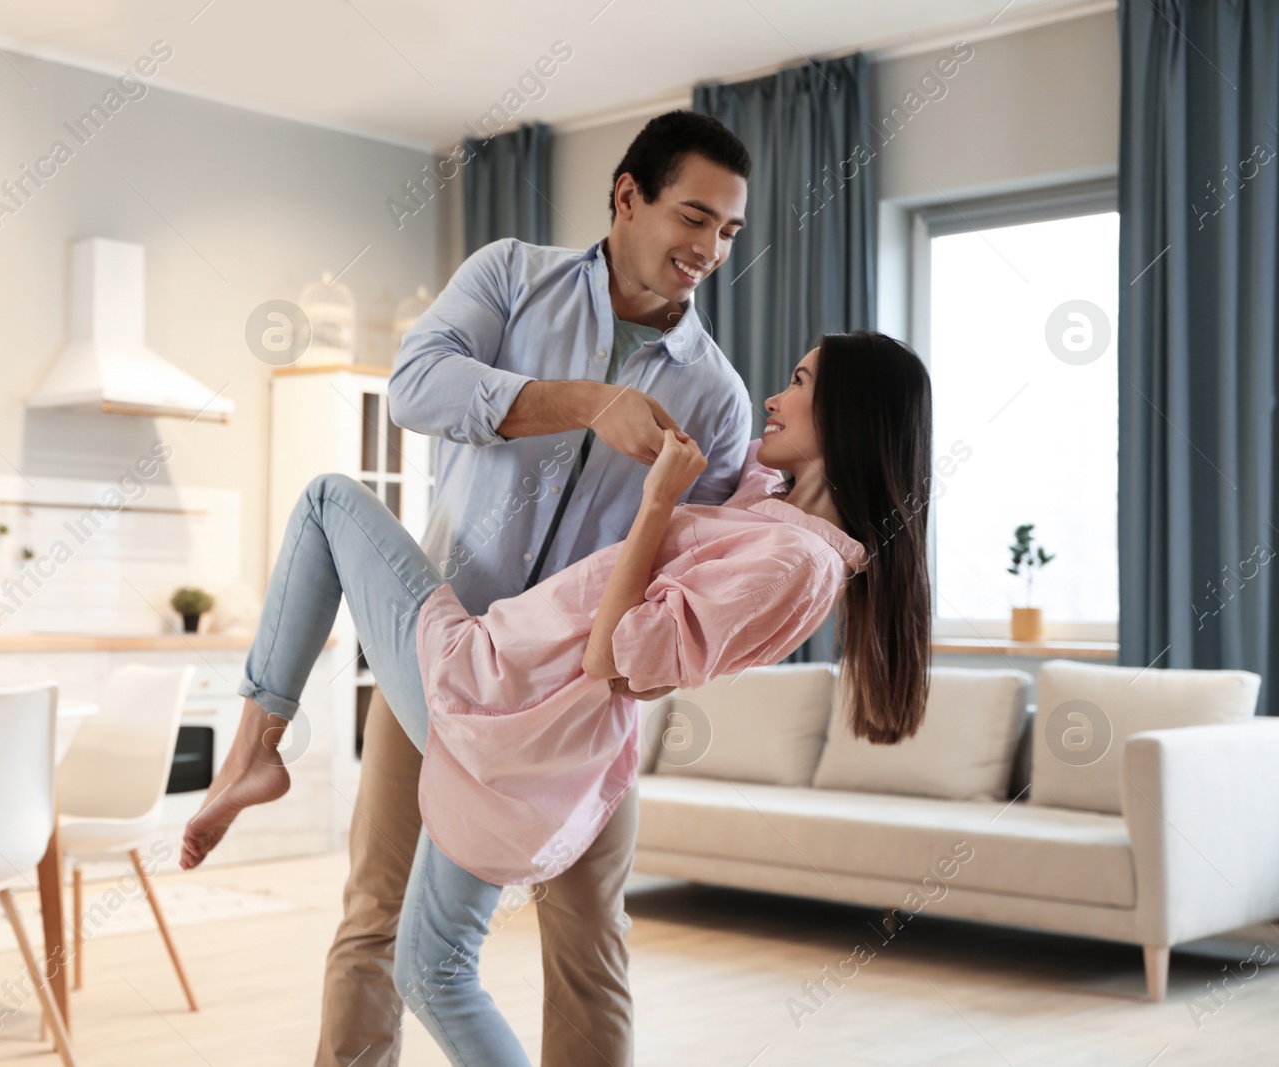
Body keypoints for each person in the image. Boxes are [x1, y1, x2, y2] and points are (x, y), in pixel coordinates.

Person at [180, 330, 936, 1066]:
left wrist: (656, 501)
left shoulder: (796, 562)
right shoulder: (776, 512)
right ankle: (258, 750)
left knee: (326, 501)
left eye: (800, 383)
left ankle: (256, 746)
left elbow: (619, 660)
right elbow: (728, 447)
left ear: (850, 412)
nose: (775, 396)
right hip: (523, 701)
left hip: (495, 681)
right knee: (430, 967)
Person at [320, 108, 757, 1067]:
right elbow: (417, 386)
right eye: (692, 217)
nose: (708, 249)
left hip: (579, 707)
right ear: (627, 196)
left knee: (590, 943)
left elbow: (692, 580)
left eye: (727, 231)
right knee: (377, 918)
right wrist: (588, 404)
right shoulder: (511, 275)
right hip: (437, 664)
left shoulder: (718, 399)